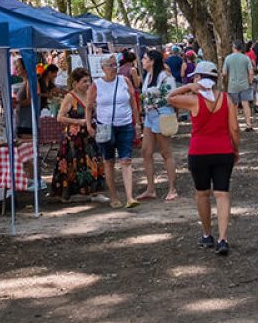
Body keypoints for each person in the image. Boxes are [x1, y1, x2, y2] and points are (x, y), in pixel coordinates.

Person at [168, 61, 240, 256]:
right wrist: (236, 149)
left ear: (198, 78)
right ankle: (223, 238)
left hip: (199, 152)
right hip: (223, 150)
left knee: (202, 193)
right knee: (222, 194)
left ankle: (207, 234)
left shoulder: (193, 100)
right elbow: (234, 128)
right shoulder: (226, 99)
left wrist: (188, 87)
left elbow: (170, 97)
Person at [86, 55, 141, 209]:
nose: (114, 67)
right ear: (103, 68)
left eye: (115, 64)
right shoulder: (97, 84)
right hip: (104, 126)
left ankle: (130, 197)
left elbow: (133, 103)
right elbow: (89, 106)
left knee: (126, 160)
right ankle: (114, 196)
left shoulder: (124, 80)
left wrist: (137, 124)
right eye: (110, 65)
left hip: (125, 125)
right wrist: (89, 125)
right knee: (108, 161)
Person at [51, 67, 106, 201]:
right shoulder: (70, 97)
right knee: (74, 164)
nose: (87, 84)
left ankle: (93, 191)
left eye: (88, 81)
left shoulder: (90, 95)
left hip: (89, 135)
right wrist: (78, 122)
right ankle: (73, 193)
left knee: (92, 160)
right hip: (74, 138)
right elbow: (60, 117)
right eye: (84, 81)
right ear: (75, 83)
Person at [137, 49, 178, 201]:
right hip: (149, 116)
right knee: (145, 151)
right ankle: (150, 189)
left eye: (145, 58)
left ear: (152, 61)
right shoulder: (148, 76)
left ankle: (172, 188)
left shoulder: (165, 76)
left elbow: (171, 96)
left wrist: (153, 98)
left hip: (162, 114)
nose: (142, 60)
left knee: (166, 152)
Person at [223, 40, 255, 131]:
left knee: (234, 105)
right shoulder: (246, 58)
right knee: (246, 104)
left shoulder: (228, 58)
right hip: (244, 84)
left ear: (234, 47)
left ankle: (234, 124)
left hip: (232, 85)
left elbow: (224, 73)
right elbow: (251, 72)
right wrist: (250, 81)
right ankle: (248, 124)